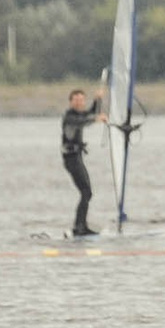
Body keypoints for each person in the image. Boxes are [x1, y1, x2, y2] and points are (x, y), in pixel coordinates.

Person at [61, 88, 105, 237]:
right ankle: (79, 228)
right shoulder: (69, 117)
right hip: (71, 159)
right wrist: (96, 119)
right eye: (76, 100)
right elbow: (81, 122)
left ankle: (81, 226)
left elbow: (91, 113)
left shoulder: (79, 114)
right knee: (86, 192)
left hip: (77, 157)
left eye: (82, 100)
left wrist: (97, 100)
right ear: (71, 102)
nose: (79, 103)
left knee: (87, 192)